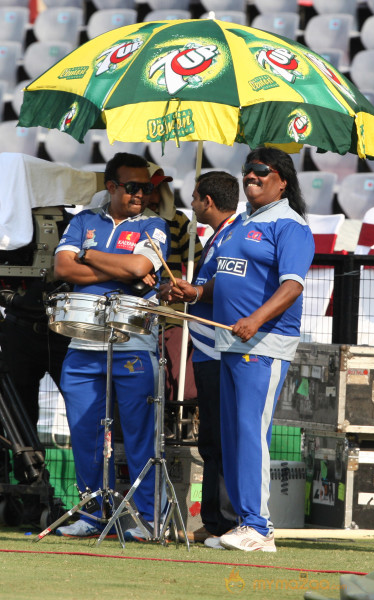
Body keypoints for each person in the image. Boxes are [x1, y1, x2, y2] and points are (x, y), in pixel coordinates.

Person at [162, 147, 315, 552]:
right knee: (232, 435)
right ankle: (245, 523)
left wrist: (257, 320)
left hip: (263, 344)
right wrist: (193, 293)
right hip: (227, 344)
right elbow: (222, 279)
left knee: (249, 433)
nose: (251, 176)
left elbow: (292, 286)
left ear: (281, 179)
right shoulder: (242, 222)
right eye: (247, 171)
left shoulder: (290, 225)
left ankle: (259, 527)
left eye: (261, 171)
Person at [53, 153, 170, 539]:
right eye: (133, 187)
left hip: (134, 344)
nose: (141, 194)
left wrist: (87, 255)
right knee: (85, 432)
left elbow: (140, 269)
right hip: (83, 342)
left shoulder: (154, 225)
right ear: (112, 187)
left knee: (139, 434)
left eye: (147, 188)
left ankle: (148, 519)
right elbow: (63, 269)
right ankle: (92, 514)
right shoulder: (84, 220)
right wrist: (117, 264)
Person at [182, 171, 239, 546]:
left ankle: (232, 521)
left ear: (208, 201)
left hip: (223, 348)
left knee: (224, 435)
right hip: (206, 345)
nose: (191, 203)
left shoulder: (237, 235)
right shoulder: (219, 235)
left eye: (194, 197)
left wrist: (197, 290)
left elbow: (231, 281)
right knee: (211, 438)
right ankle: (214, 519)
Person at [0, 207, 72, 433]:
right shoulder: (9, 228)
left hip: (66, 333)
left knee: (82, 407)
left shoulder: (75, 225)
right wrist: (13, 300)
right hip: (20, 331)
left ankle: (92, 467)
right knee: (18, 411)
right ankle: (23, 467)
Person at [145, 162, 203, 406]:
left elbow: (198, 265)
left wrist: (183, 288)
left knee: (183, 385)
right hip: (135, 313)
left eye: (159, 189)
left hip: (173, 313)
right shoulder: (124, 223)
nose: (155, 195)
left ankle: (178, 424)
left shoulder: (179, 222)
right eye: (151, 188)